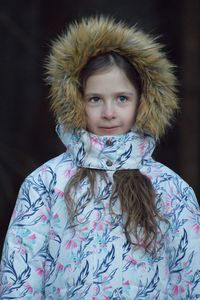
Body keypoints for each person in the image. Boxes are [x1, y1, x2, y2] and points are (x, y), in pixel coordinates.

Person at [0, 16, 200, 299]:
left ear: (143, 101)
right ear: (76, 100)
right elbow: (19, 278)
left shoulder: (171, 189)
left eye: (122, 98)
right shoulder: (44, 184)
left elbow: (190, 280)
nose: (109, 112)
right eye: (95, 99)